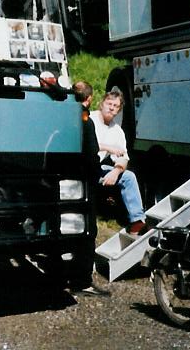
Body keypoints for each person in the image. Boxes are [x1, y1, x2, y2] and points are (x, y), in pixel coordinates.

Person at [90, 88, 147, 236]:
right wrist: (108, 147)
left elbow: (124, 157)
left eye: (116, 106)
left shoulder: (117, 131)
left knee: (129, 177)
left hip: (97, 167)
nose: (111, 108)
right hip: (81, 164)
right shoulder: (89, 119)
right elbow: (85, 144)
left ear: (119, 110)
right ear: (101, 104)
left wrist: (116, 171)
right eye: (109, 103)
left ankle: (137, 222)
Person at [72, 80, 110, 296]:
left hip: (65, 180)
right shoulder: (86, 121)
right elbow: (91, 153)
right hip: (84, 182)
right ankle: (83, 280)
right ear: (90, 98)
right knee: (88, 231)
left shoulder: (63, 116)